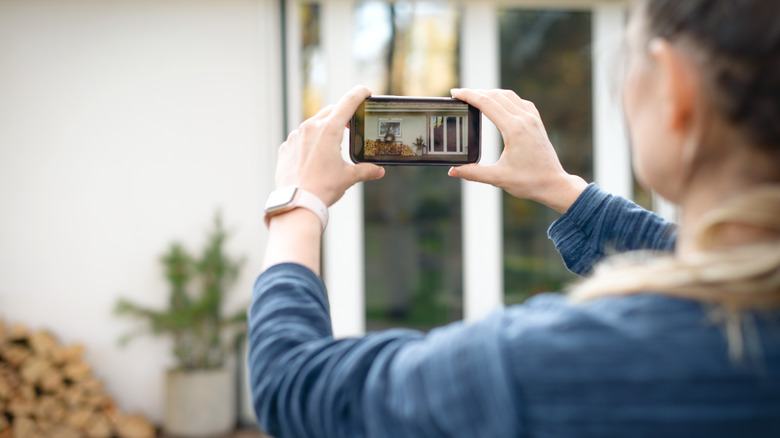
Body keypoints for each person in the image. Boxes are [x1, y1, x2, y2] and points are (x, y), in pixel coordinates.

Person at [248, 0, 780, 436]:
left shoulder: (549, 361)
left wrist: (298, 205)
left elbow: (296, 387)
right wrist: (562, 190)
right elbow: (703, 259)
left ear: (674, 89)